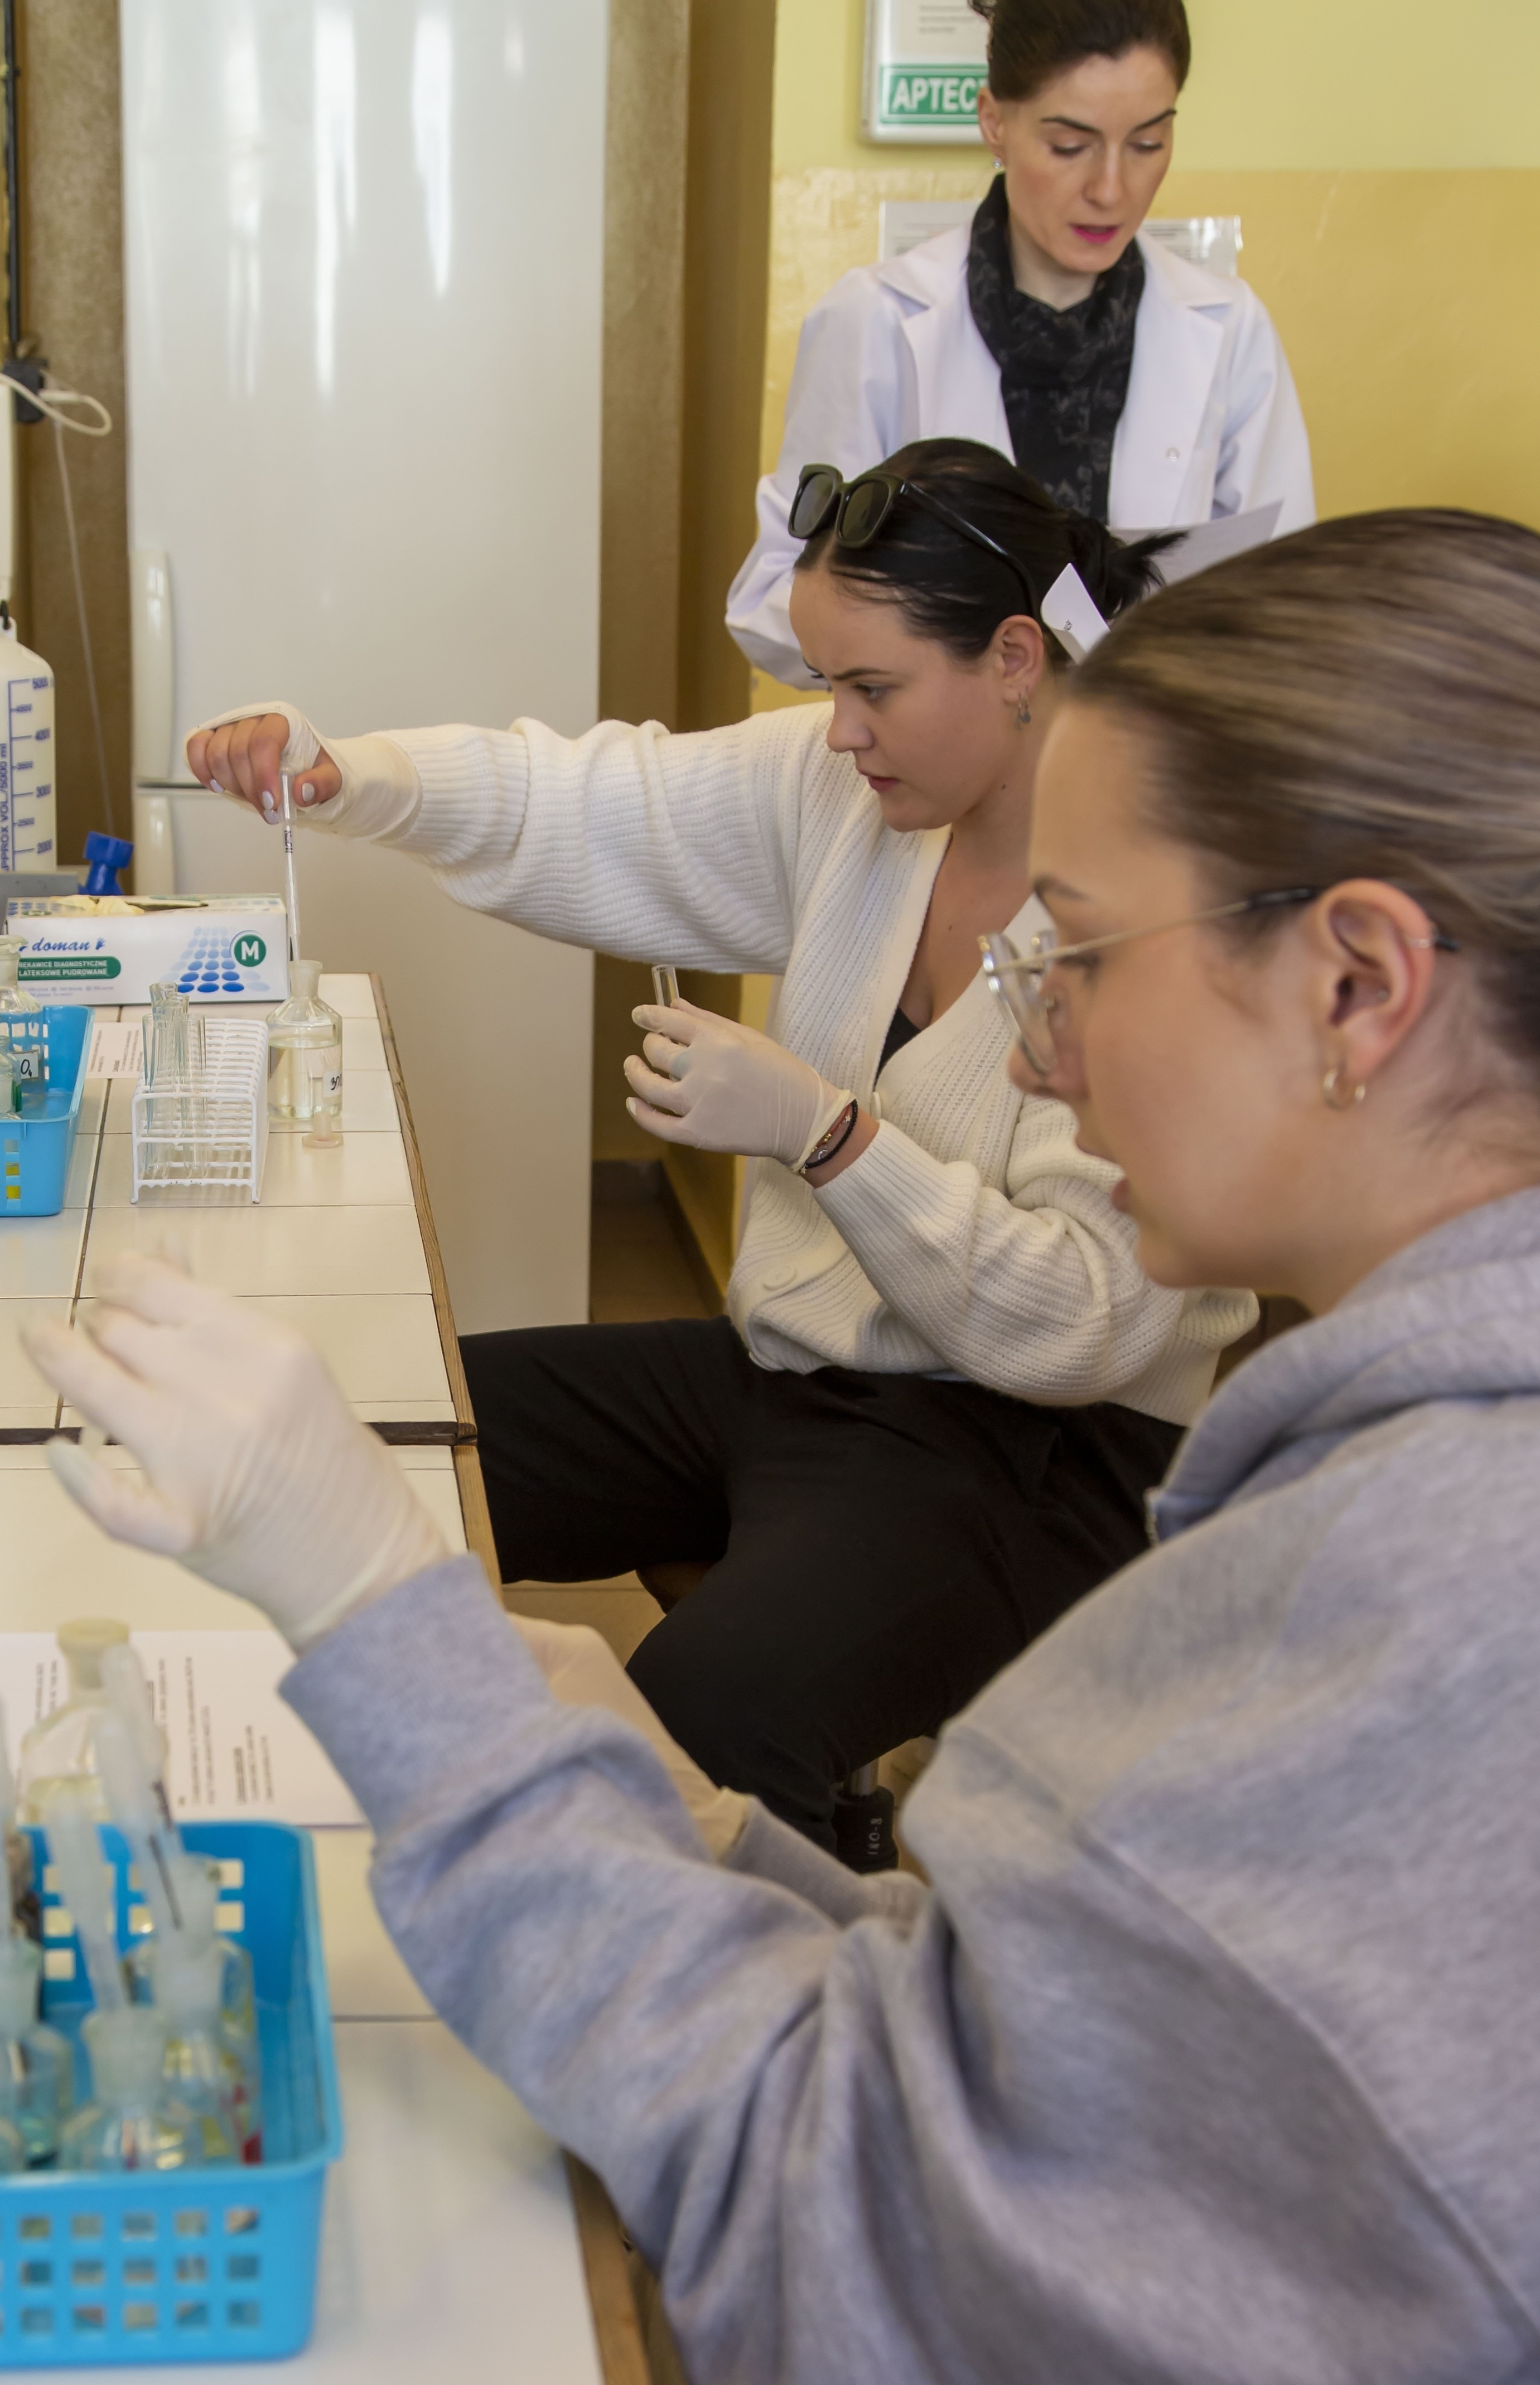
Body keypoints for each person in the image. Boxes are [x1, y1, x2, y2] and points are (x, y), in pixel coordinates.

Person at [29, 506, 1540, 2385]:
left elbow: (855, 2275)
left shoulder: (1471, 1599)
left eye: (1076, 961)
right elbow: (1139, 2072)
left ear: (1358, 980)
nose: (1047, 1048)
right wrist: (686, 1826)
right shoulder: (1438, 1486)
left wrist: (399, 1646)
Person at [182, 440, 1250, 1851]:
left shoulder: (1171, 894)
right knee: (366, 1441)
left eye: (871, 688)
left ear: (1011, 656)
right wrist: (349, 774)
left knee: (693, 1720)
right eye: (824, 686)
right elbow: (589, 797)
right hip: (801, 1365)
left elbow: (1086, 1325)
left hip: (1032, 1450)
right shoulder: (858, 794)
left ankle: (805, 1931)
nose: (838, 731)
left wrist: (828, 1137)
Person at [728, 0, 1313, 689]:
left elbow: (1287, 598)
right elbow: (772, 597)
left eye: (1148, 144)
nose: (1110, 189)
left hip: (1150, 737)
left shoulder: (1229, 327)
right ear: (994, 122)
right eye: (1069, 146)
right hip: (939, 750)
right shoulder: (876, 319)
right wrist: (932, 634)